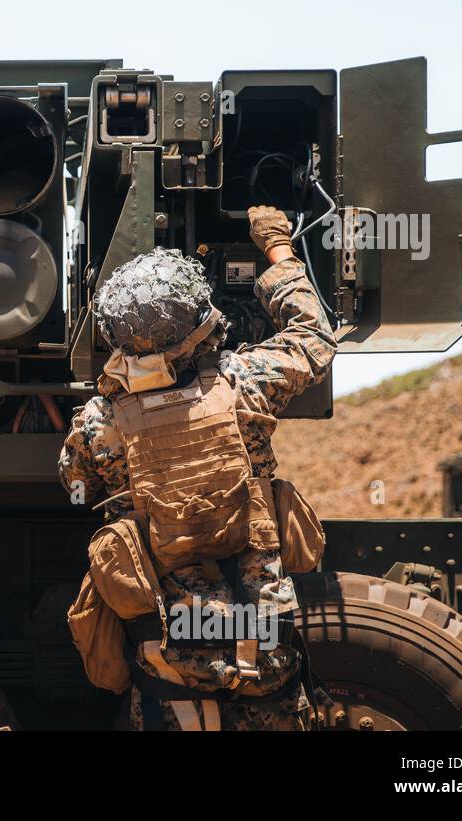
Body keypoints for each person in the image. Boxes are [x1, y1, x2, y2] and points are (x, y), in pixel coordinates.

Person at [60, 206, 337, 730]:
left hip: (172, 669)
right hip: (267, 655)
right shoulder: (245, 382)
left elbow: (75, 481)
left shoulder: (101, 422)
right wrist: (276, 245)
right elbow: (314, 337)